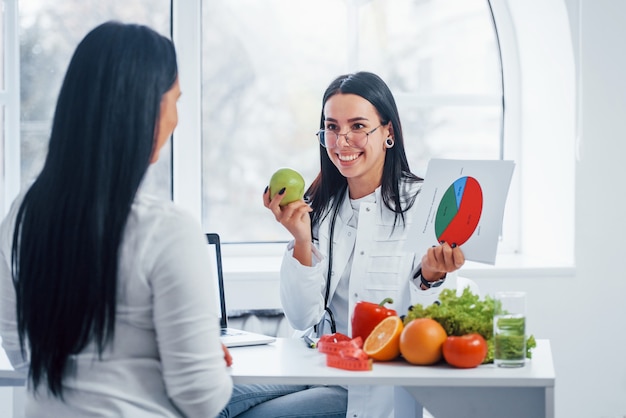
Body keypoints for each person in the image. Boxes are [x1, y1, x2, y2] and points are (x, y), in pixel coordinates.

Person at [0, 21, 233, 417]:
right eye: (175, 100)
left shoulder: (22, 215)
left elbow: (22, 353)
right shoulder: (168, 231)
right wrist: (206, 353)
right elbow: (203, 398)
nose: (177, 118)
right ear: (148, 109)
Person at [219, 72, 479, 418]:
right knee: (204, 397)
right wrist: (300, 240)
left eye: (357, 126)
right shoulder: (321, 204)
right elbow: (302, 317)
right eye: (332, 127)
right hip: (316, 364)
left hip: (368, 387)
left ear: (388, 131)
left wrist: (431, 276)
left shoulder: (425, 203)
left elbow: (431, 333)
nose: (342, 141)